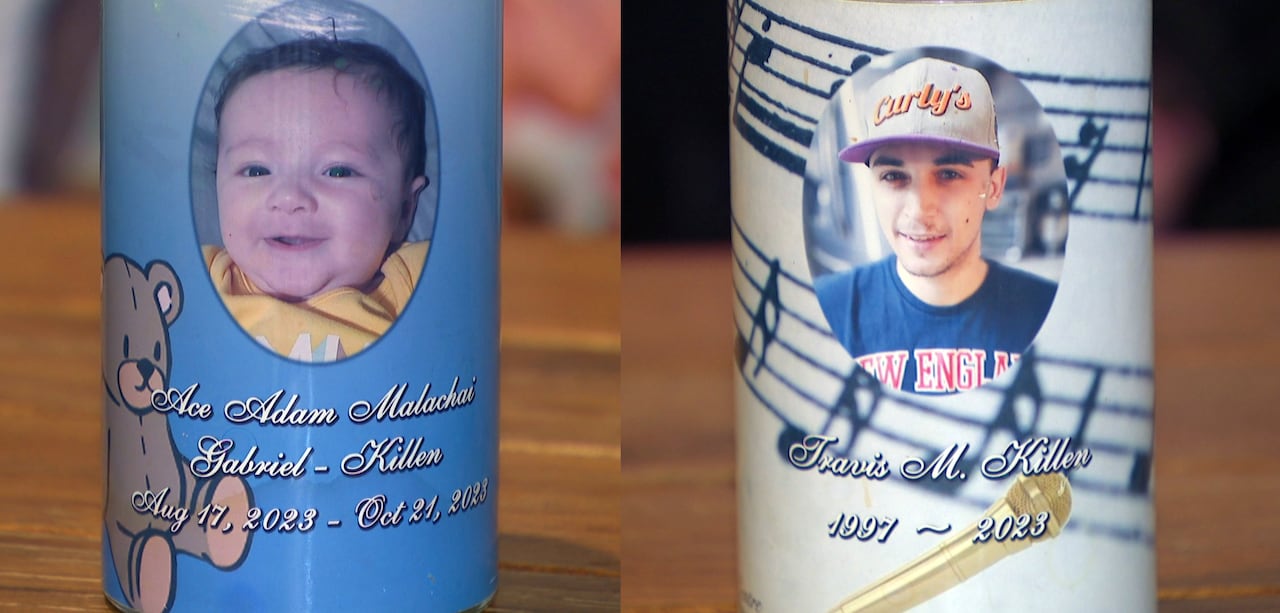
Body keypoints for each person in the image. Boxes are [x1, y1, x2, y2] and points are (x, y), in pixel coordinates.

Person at [815, 57, 1057, 394]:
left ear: (995, 187)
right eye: (893, 176)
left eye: (948, 174)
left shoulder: (1045, 310)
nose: (918, 210)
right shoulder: (826, 307)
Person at [204, 38, 429, 362]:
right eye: (256, 170)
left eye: (337, 171)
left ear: (406, 209)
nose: (289, 197)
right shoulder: (202, 280)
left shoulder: (409, 282)